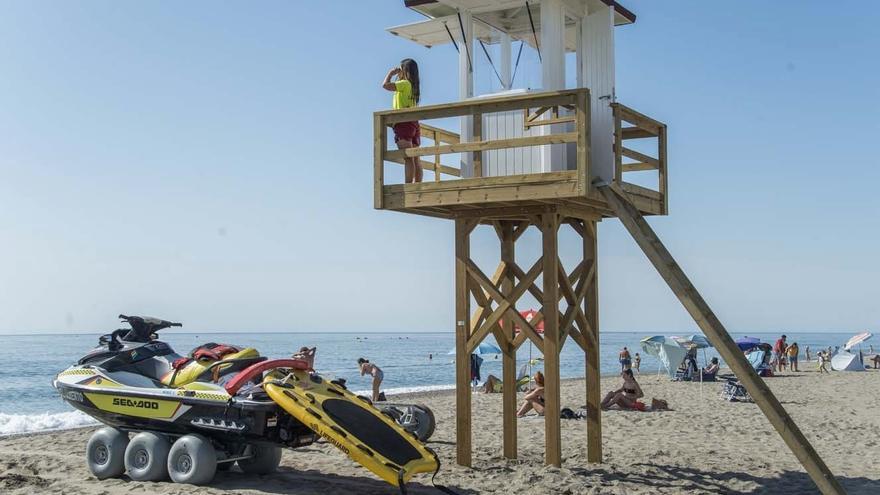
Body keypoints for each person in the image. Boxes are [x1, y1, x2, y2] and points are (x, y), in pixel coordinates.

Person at [382, 58, 422, 183]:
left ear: (405, 70)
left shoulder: (404, 83)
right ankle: (418, 185)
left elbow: (385, 85)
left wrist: (391, 73)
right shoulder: (414, 87)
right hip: (414, 123)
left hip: (403, 123)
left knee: (408, 158)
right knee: (415, 158)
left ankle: (409, 185)